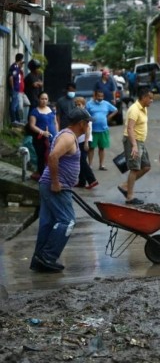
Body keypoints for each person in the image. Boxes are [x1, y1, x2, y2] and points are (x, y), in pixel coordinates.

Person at [30, 107, 93, 272]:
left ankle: (39, 259)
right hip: (56, 187)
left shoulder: (68, 135)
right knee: (67, 221)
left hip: (53, 185)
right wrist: (56, 182)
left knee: (48, 223)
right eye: (88, 123)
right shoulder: (67, 138)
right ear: (81, 123)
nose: (89, 126)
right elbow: (52, 157)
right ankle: (48, 256)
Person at [118, 88, 154, 205]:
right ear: (143, 97)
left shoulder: (144, 108)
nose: (152, 100)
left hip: (140, 141)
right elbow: (130, 128)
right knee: (134, 168)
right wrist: (134, 145)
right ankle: (129, 197)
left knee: (146, 166)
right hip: (133, 140)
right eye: (150, 98)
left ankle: (125, 186)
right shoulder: (134, 109)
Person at [28, 92, 58, 177]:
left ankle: (51, 176)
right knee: (41, 157)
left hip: (52, 138)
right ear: (38, 99)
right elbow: (32, 126)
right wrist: (42, 132)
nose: (44, 101)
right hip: (40, 139)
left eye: (46, 99)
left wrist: (57, 133)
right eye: (42, 99)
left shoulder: (51, 109)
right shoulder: (34, 111)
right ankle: (42, 177)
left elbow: (55, 122)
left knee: (52, 157)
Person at [86, 89, 118, 170]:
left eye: (102, 96)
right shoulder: (89, 104)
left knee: (102, 148)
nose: (100, 98)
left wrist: (109, 117)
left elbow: (115, 110)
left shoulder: (106, 104)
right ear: (95, 96)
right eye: (98, 96)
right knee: (91, 148)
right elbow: (85, 114)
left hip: (103, 130)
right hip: (93, 130)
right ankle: (90, 165)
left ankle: (101, 165)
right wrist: (91, 119)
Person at [73, 97, 98, 189]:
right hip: (80, 140)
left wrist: (86, 142)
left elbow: (87, 129)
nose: (77, 106)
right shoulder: (79, 114)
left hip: (85, 140)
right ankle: (82, 181)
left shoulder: (84, 115)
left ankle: (92, 180)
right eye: (76, 105)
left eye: (79, 105)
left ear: (83, 105)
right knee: (80, 161)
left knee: (82, 161)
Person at [8, 53, 24, 125]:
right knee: (14, 105)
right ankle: (13, 120)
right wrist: (12, 87)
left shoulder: (17, 67)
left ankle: (18, 120)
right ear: (20, 59)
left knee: (17, 106)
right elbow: (11, 77)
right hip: (14, 89)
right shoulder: (14, 66)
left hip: (17, 89)